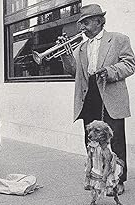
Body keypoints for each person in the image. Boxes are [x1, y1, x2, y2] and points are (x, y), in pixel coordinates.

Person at [60, 4, 135, 195]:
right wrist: (67, 55)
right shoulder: (81, 47)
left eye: (85, 22)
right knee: (91, 140)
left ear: (99, 21)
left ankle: (117, 181)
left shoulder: (119, 39)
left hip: (110, 93)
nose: (82, 27)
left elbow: (130, 64)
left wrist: (110, 71)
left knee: (115, 140)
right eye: (81, 23)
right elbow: (73, 72)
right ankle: (96, 178)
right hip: (89, 95)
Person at [84, 120, 123, 205]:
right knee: (94, 186)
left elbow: (107, 164)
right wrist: (87, 175)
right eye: (90, 130)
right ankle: (93, 200)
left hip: (106, 171)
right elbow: (89, 160)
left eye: (96, 131)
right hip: (96, 168)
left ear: (105, 133)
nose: (90, 134)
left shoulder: (106, 150)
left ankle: (116, 199)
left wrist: (104, 179)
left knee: (113, 185)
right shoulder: (91, 147)